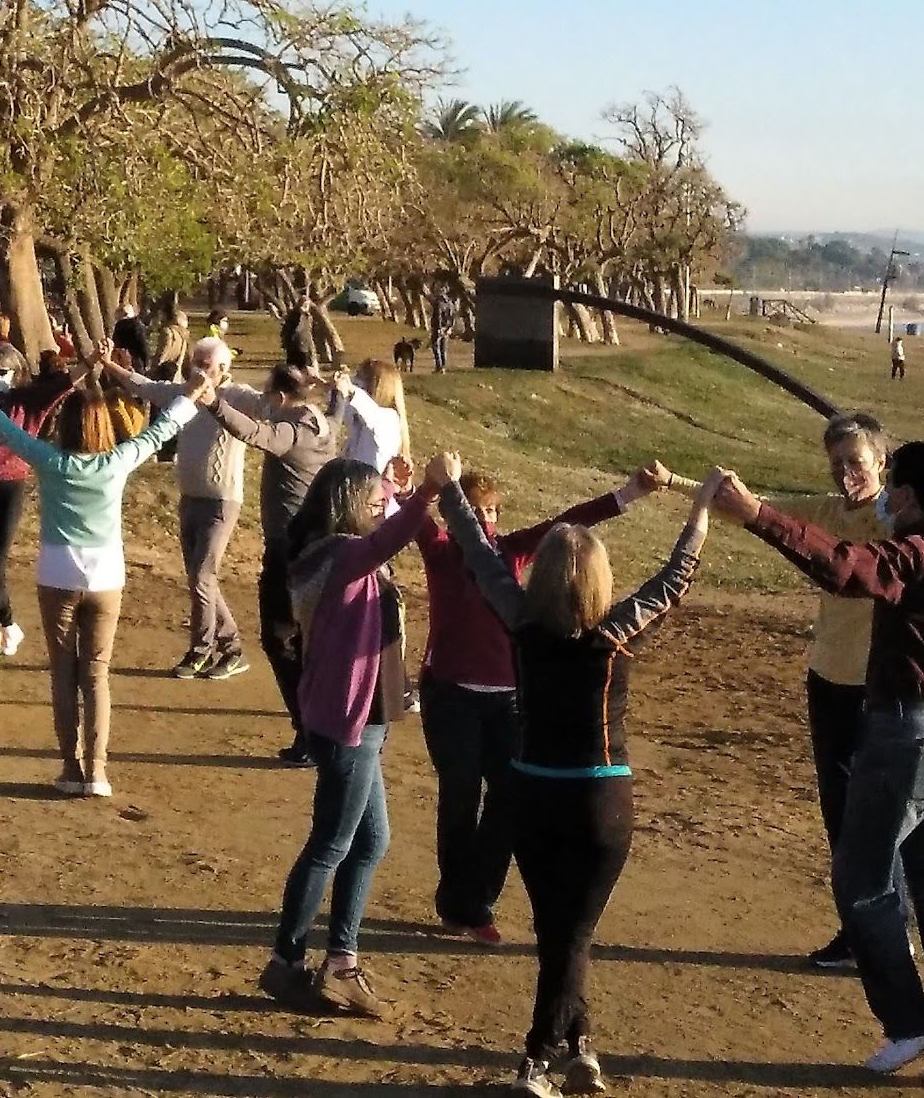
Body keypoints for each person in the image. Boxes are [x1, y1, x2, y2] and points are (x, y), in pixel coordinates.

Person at [712, 445, 924, 1088]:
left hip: (907, 736)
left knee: (862, 882)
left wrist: (757, 514)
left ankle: (909, 1021)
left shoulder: (919, 558)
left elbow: (846, 567)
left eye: (894, 492)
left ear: (908, 498)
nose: (884, 504)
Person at [438, 458, 715, 1097]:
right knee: (572, 934)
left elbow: (479, 557)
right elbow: (673, 582)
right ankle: (574, 1050)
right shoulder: (615, 635)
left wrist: (450, 486)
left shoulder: (521, 624)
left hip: (535, 797)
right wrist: (699, 512)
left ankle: (542, 1056)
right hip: (602, 802)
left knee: (559, 932)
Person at [416, 465, 662, 945]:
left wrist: (630, 492)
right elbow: (408, 517)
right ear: (455, 513)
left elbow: (570, 522)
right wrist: (417, 485)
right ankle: (458, 902)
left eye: (490, 510)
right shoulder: (443, 550)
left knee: (511, 795)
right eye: (474, 509)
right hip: (449, 695)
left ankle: (479, 898)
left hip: (508, 699)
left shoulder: (509, 552)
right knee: (460, 798)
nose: (484, 519)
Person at [0, 353, 208, 797]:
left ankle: (70, 769)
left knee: (63, 674)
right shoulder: (118, 459)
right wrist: (193, 394)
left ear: (65, 426)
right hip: (107, 576)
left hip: (58, 573)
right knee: (97, 674)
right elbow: (162, 430)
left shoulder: (49, 459)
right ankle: (98, 772)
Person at [257, 454, 442, 1023]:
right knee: (332, 845)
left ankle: (339, 961)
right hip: (348, 724)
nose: (378, 508)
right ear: (345, 507)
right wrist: (430, 490)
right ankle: (290, 961)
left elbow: (385, 526)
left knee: (369, 842)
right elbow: (388, 539)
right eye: (371, 502)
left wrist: (402, 487)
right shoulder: (336, 556)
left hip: (361, 721)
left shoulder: (330, 554)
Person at [756, 412, 892, 970]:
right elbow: (767, 513)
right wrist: (685, 485)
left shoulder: (897, 521)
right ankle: (860, 931)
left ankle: (883, 934)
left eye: (855, 462)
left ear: (882, 461)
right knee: (839, 813)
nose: (845, 474)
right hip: (827, 678)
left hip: (876, 686)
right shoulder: (829, 511)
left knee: (876, 818)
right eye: (836, 464)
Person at [108, 337, 265, 679]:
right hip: (190, 499)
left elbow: (271, 404)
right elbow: (145, 386)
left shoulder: (238, 396)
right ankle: (232, 648)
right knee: (200, 579)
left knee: (203, 577)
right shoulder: (184, 393)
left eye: (205, 365)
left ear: (223, 369)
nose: (198, 370)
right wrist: (108, 364)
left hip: (222, 502)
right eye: (195, 362)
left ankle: (201, 651)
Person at [205, 364, 338, 763]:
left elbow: (253, 433)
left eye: (268, 397)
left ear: (281, 398)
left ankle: (310, 732)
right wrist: (337, 390)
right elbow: (339, 409)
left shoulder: (291, 433)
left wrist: (212, 401)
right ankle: (319, 728)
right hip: (318, 549)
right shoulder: (324, 424)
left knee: (280, 639)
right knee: (308, 641)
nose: (265, 403)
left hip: (288, 551)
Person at [0, 342, 71, 658]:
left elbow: (65, 384)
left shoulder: (28, 400)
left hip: (10, 485)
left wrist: (93, 359)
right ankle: (7, 623)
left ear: (17, 372)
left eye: (3, 372)